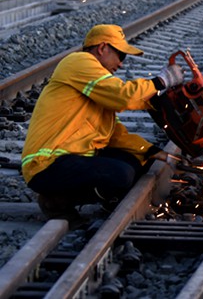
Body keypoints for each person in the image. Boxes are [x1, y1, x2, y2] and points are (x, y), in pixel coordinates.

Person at [21, 24, 184, 223]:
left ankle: (101, 196)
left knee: (138, 160)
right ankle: (56, 200)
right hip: (47, 166)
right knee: (120, 175)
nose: (122, 64)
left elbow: (112, 132)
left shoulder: (96, 85)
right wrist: (161, 82)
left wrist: (150, 151)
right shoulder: (79, 62)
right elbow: (123, 96)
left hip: (73, 159)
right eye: (121, 56)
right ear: (102, 48)